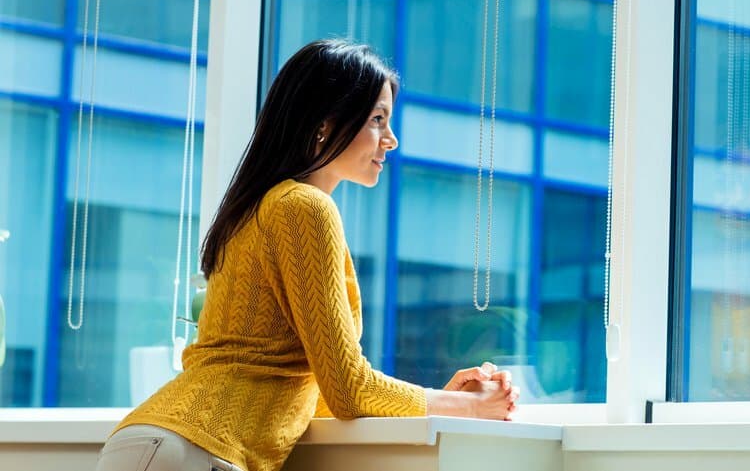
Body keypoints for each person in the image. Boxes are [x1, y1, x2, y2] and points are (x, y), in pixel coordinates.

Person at [94, 39, 520, 471]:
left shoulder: (260, 209)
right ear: (324, 123)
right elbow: (347, 389)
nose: (390, 140)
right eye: (377, 119)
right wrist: (469, 407)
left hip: (160, 441)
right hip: (194, 449)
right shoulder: (305, 208)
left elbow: (307, 389)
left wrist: (440, 400)